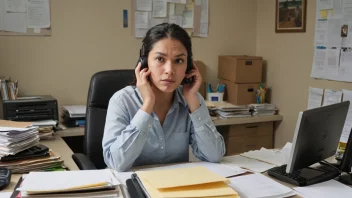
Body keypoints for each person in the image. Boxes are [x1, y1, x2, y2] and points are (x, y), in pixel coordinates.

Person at [102, 23, 225, 172]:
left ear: (189, 67)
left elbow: (214, 155)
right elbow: (116, 163)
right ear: (145, 62)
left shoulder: (192, 100)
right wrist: (147, 105)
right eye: (160, 59)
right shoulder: (122, 100)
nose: (169, 70)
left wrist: (192, 99)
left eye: (179, 61)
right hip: (134, 187)